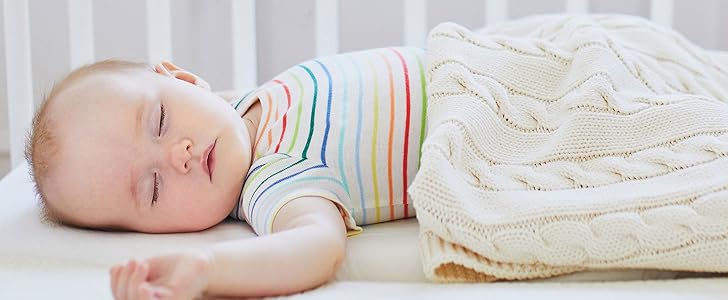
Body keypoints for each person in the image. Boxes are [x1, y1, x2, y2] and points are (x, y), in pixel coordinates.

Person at [24, 46, 427, 299]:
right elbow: (317, 244)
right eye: (154, 188)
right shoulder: (272, 181)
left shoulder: (244, 105)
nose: (178, 156)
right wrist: (208, 269)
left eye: (160, 120)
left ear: (185, 80)